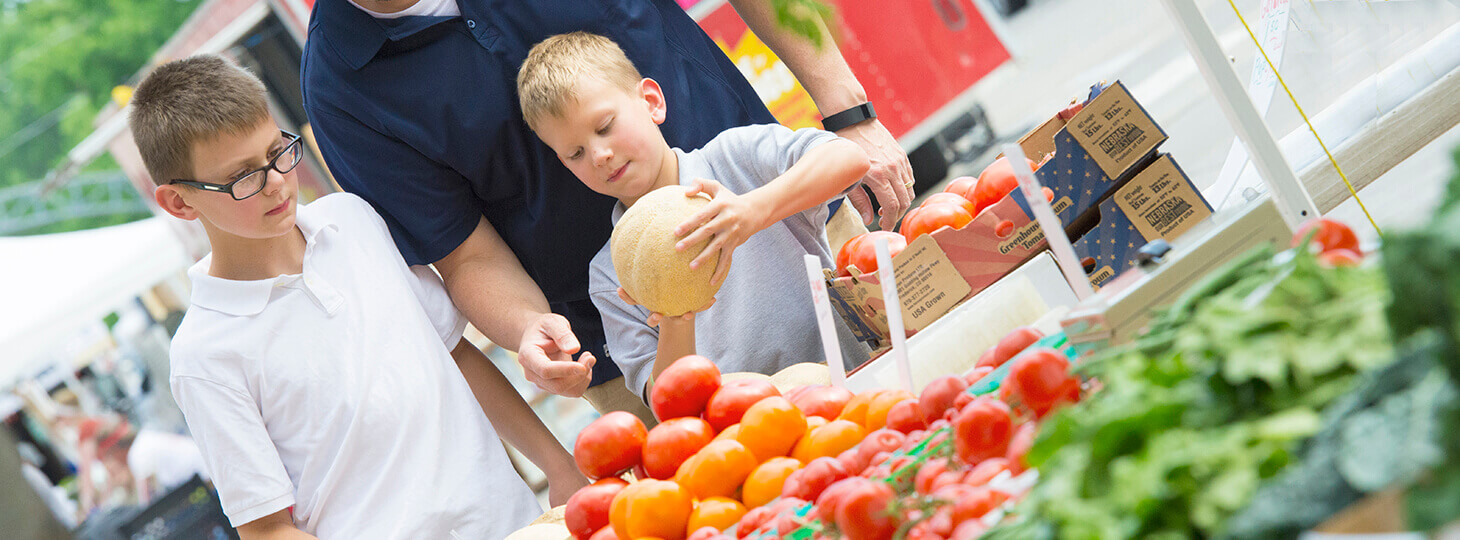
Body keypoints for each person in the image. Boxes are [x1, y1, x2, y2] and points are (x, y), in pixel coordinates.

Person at [301, 0, 914, 419]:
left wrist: (847, 110)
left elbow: (833, 158)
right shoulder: (341, 87)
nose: (597, 156)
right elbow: (465, 253)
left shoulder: (747, 160)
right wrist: (526, 331)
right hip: (625, 343)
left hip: (794, 229)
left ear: (650, 101)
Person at [133, 55, 578, 539]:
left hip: (515, 520)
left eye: (277, 152)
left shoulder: (355, 220)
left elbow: (457, 357)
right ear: (179, 202)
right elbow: (265, 530)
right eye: (244, 177)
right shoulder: (204, 355)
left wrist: (559, 466)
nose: (278, 182)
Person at [518, 32, 872, 400]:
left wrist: (754, 209)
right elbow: (667, 401)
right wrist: (673, 317)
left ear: (651, 102)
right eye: (575, 153)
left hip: (856, 383)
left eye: (605, 126)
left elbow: (848, 157)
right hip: (752, 439)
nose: (599, 154)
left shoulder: (734, 158)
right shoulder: (610, 275)